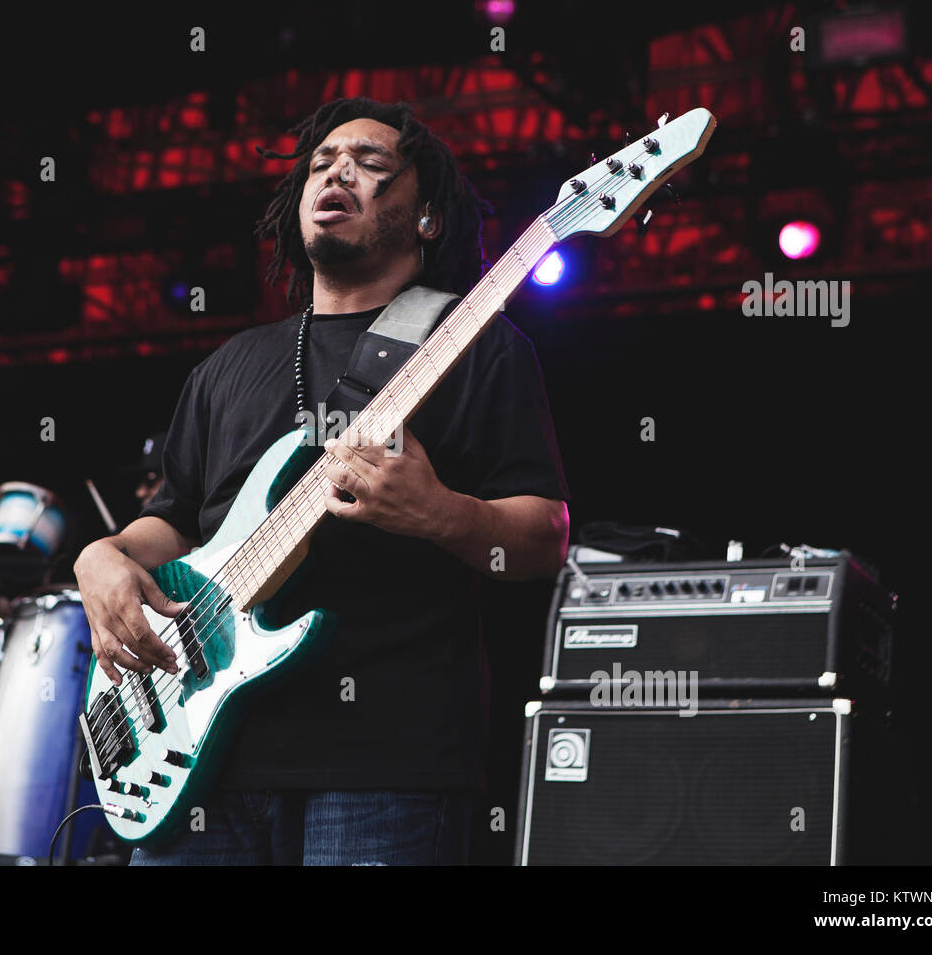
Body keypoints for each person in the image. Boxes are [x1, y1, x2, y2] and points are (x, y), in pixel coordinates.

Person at [74, 97, 569, 865]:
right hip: (199, 764)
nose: (337, 171)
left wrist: (441, 514)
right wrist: (102, 557)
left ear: (428, 217)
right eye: (321, 163)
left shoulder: (479, 346)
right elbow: (171, 521)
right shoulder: (229, 365)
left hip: (385, 766)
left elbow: (543, 539)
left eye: (371, 163)